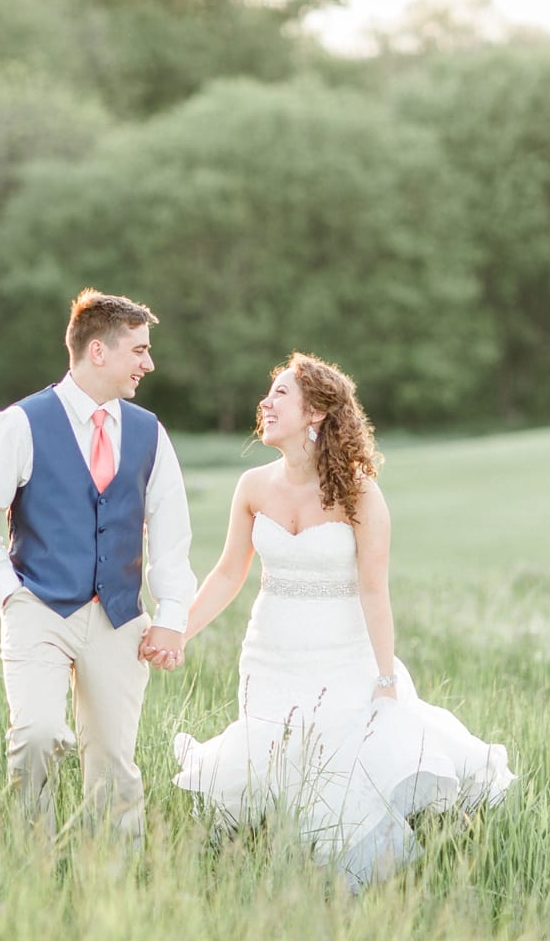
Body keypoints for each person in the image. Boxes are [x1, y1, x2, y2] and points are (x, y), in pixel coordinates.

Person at [164, 352, 515, 890]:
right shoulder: (252, 487)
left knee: (341, 769)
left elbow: (374, 589)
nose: (265, 401)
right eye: (270, 392)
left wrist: (385, 677)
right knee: (273, 759)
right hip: (269, 654)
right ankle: (269, 866)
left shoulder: (360, 493)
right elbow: (229, 573)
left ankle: (356, 885)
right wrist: (176, 632)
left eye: (281, 393)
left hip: (341, 656)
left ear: (316, 413)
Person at [0, 288, 196, 839]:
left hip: (118, 616)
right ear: (99, 351)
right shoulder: (19, 423)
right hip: (38, 606)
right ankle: (30, 864)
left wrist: (171, 614)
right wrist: (9, 594)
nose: (149, 363)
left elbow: (171, 531)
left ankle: (111, 889)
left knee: (114, 764)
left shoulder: (149, 432)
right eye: (139, 350)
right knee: (36, 734)